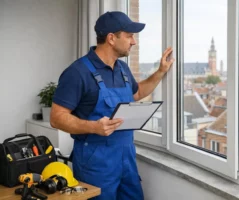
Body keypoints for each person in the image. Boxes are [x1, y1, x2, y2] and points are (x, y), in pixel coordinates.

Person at [50, 11, 174, 200]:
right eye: (129, 36)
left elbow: (137, 93)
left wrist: (160, 71)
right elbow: (56, 118)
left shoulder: (122, 68)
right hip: (95, 161)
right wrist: (93, 127)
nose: (134, 41)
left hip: (126, 157)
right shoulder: (77, 72)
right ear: (111, 38)